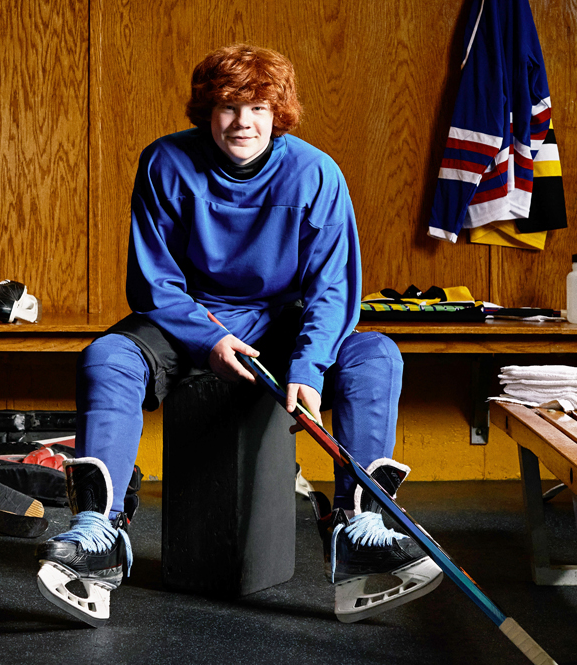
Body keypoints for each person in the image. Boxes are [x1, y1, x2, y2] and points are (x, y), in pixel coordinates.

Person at [34, 44, 439, 627]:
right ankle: (101, 535)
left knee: (376, 354)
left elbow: (333, 289)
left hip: (283, 321)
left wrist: (309, 365)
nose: (243, 122)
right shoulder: (164, 163)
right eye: (228, 107)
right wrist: (207, 339)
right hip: (189, 318)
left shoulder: (316, 173)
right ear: (207, 111)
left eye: (258, 107)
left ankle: (359, 528)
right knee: (108, 358)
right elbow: (154, 281)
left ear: (280, 112)